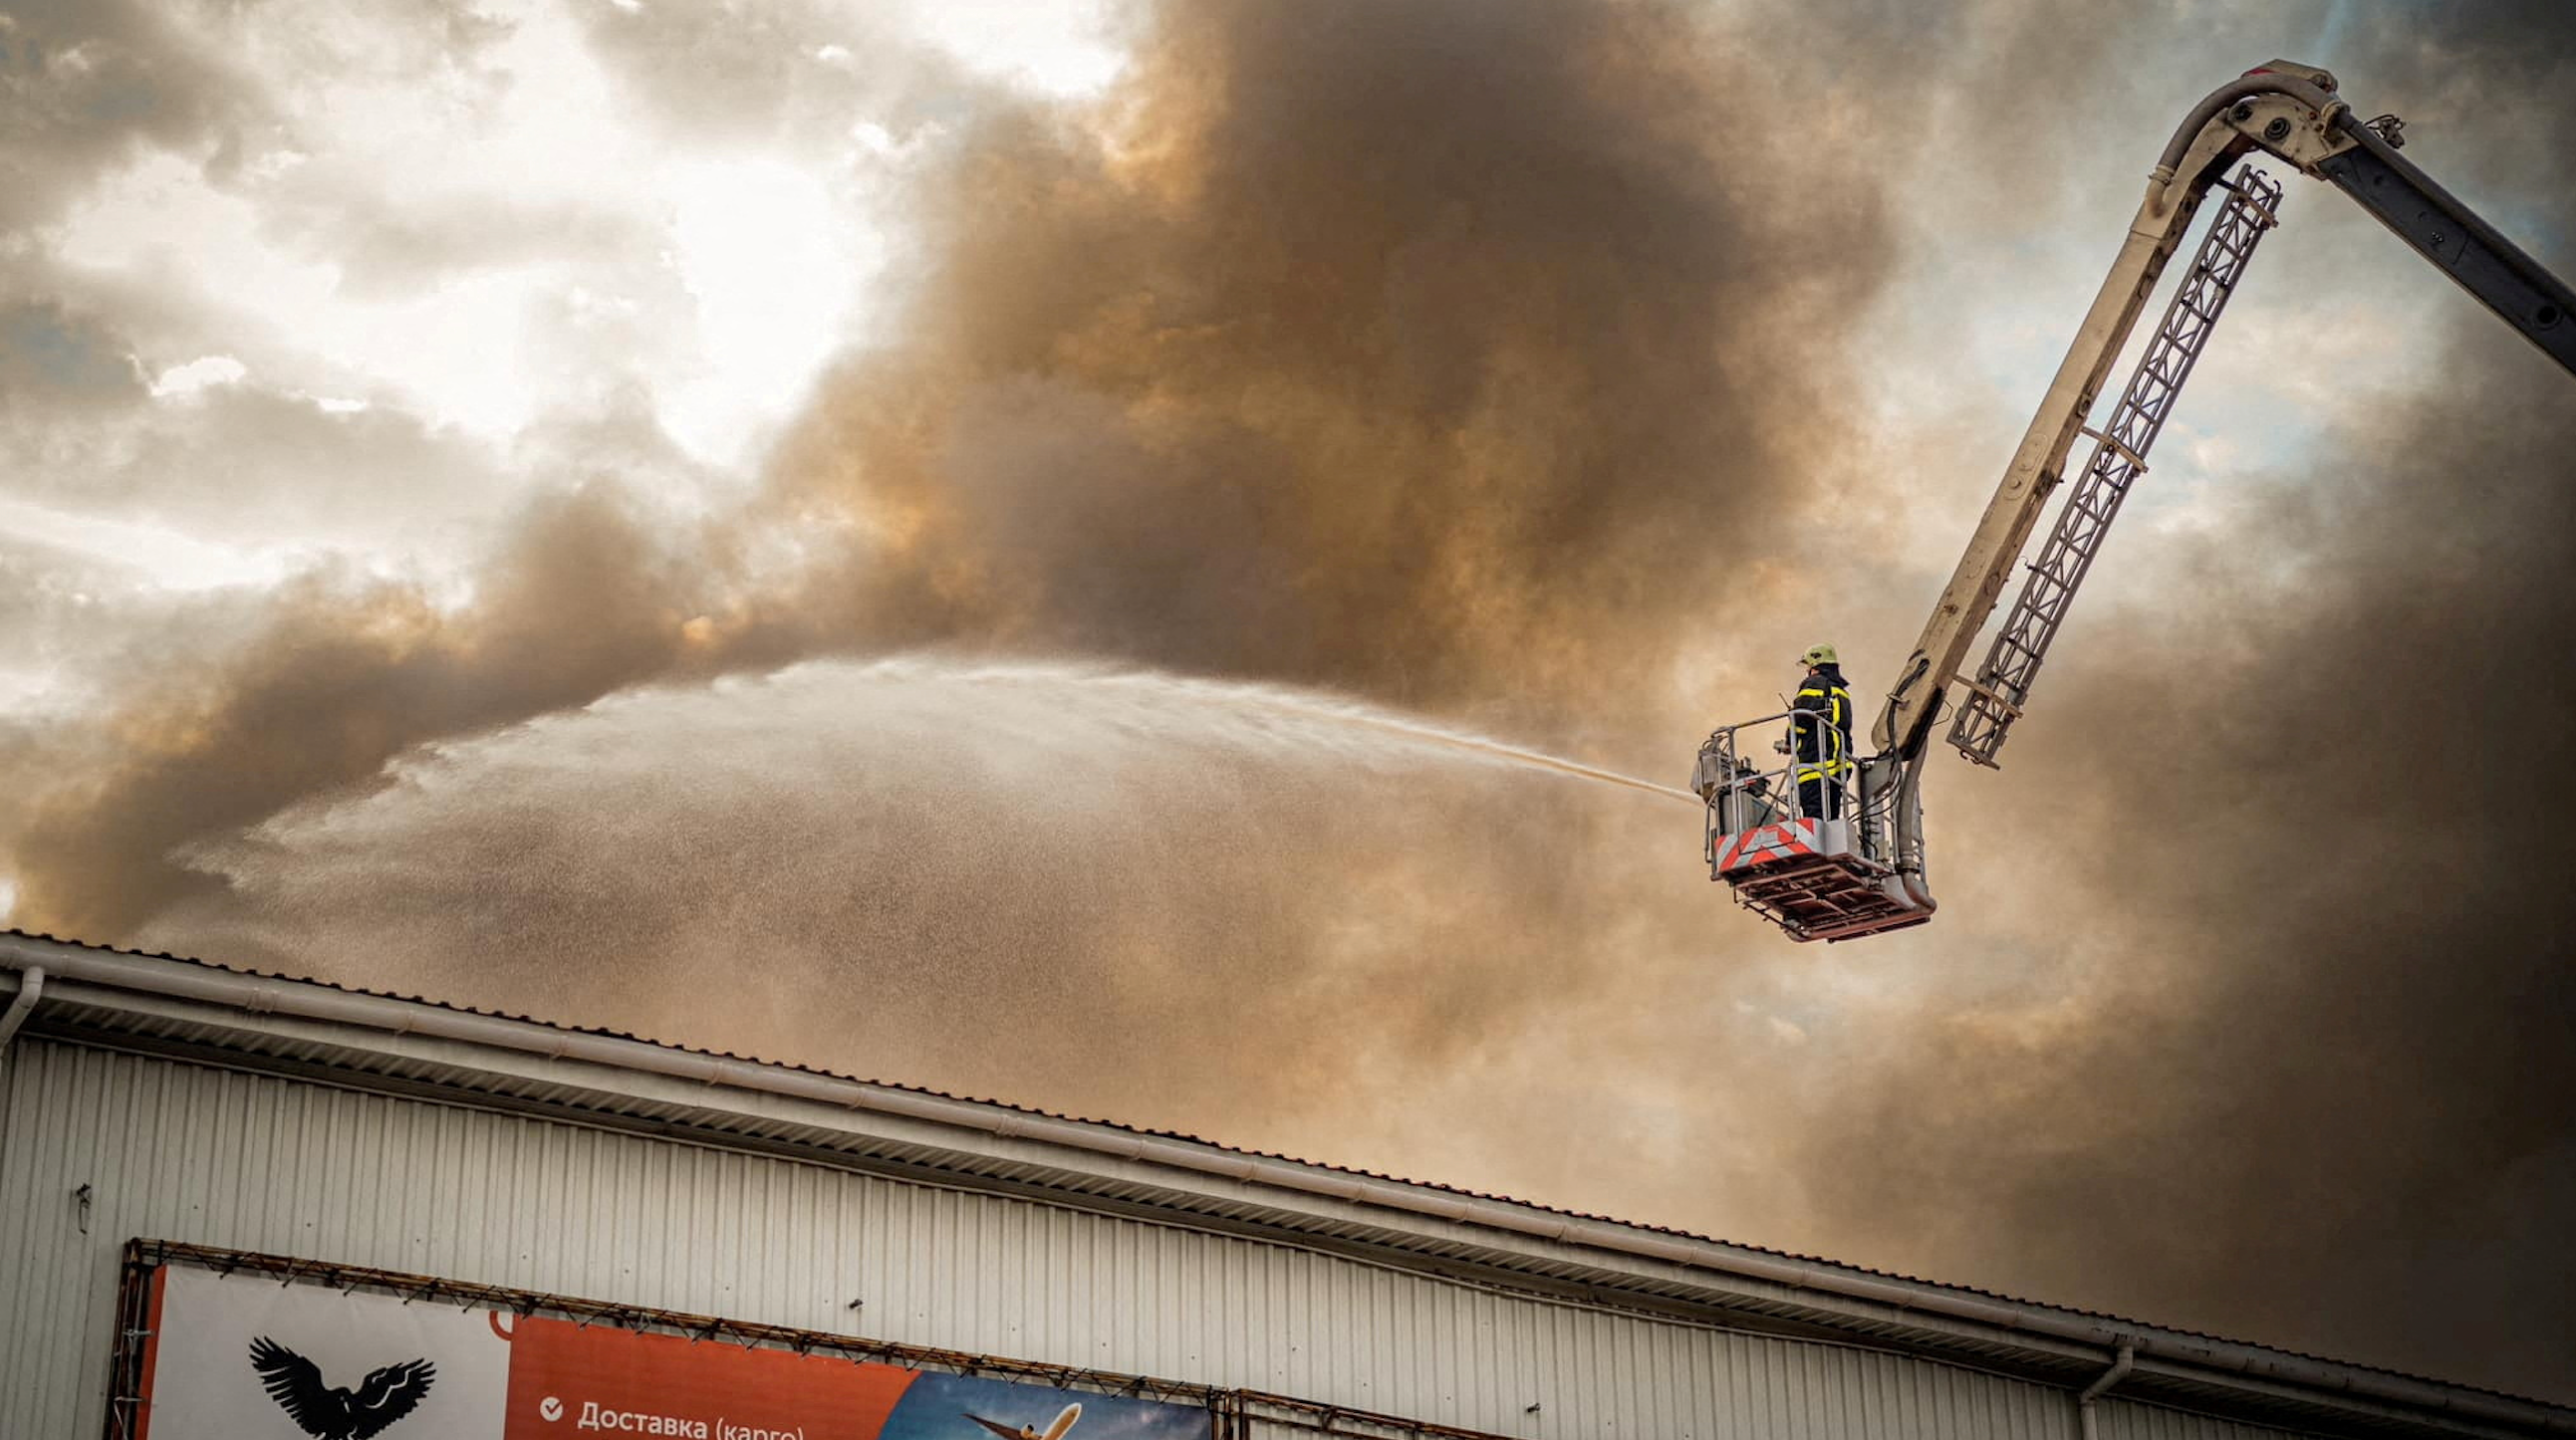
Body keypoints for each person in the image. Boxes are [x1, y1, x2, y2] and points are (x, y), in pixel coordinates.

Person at [1790, 643, 1854, 821]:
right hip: (1837, 764)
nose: (1807, 670)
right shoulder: (1840, 691)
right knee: (1831, 817)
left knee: (1814, 817)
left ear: (1815, 664)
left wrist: (1790, 741)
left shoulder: (1814, 682)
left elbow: (1801, 717)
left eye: (1808, 666)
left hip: (1816, 763)